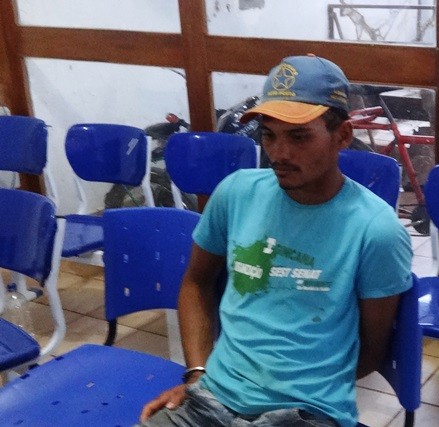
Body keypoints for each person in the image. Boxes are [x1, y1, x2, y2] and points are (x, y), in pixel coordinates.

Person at [138, 54, 413, 427]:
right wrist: (197, 374)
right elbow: (196, 282)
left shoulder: (376, 230)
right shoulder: (236, 194)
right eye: (269, 135)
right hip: (211, 400)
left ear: (343, 136)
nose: (279, 154)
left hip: (305, 414)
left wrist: (309, 389)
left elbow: (370, 351)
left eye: (299, 136)